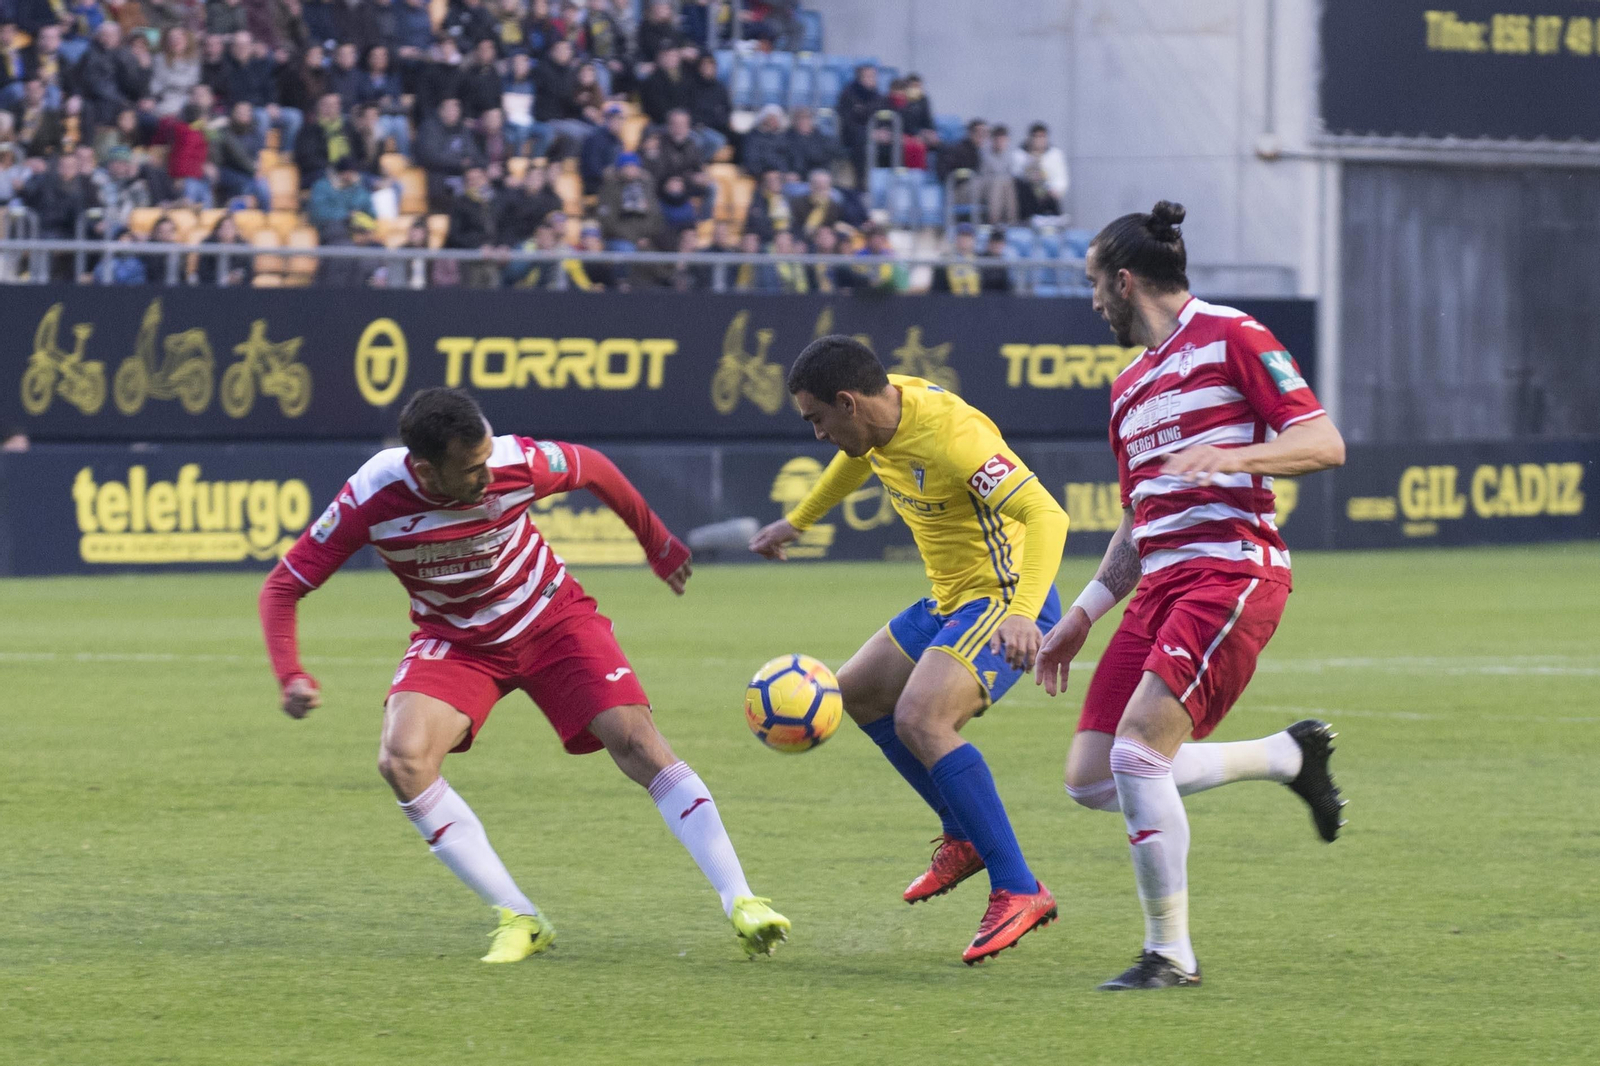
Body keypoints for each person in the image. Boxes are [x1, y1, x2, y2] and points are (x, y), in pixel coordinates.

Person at [257, 388, 791, 963]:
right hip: (458, 641)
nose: (488, 474)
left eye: (488, 457)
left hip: (550, 616)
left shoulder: (514, 461)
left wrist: (656, 542)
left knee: (636, 742)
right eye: (471, 469)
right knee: (402, 761)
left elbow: (595, 468)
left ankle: (743, 900)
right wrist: (290, 674)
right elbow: (283, 586)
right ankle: (520, 916)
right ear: (425, 469)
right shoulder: (371, 496)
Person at [1032, 201, 1348, 991]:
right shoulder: (1129, 388)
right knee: (1092, 776)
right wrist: (1081, 615)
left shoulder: (1234, 336)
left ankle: (1169, 955)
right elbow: (1139, 521)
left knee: (1139, 753)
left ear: (1126, 280)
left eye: (1094, 284)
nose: (1093, 301)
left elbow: (1324, 443)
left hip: (1230, 573)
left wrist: (1234, 455)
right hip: (1158, 591)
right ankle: (1286, 755)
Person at [749, 336, 1069, 965]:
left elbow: (1047, 514)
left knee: (922, 718)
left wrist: (1027, 615)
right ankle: (964, 835)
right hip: (952, 599)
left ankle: (1018, 887)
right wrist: (800, 519)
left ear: (848, 402)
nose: (816, 435)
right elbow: (859, 457)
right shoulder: (876, 419)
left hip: (1004, 599)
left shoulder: (955, 437)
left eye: (817, 420)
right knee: (859, 690)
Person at [1011, 121, 1067, 220]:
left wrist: (1056, 189)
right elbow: (1016, 174)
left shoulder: (1055, 154)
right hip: (1027, 194)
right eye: (1036, 137)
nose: (1039, 140)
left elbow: (1061, 177)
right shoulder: (1020, 154)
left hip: (1048, 193)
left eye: (1042, 137)